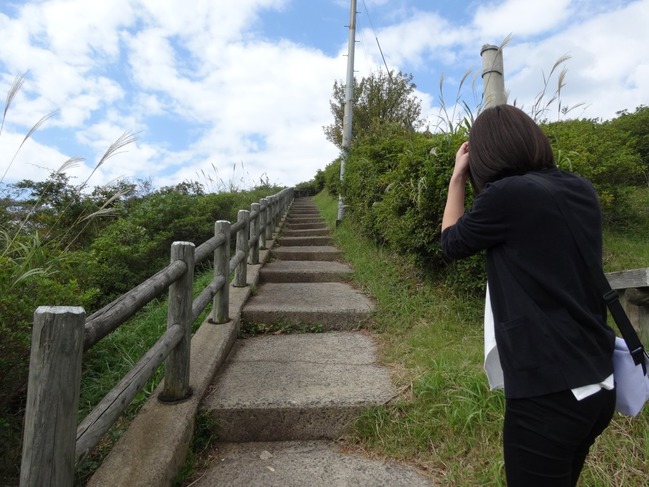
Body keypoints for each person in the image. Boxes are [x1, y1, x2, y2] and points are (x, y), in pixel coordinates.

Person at [440, 104, 616, 486]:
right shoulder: (578, 187)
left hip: (548, 394)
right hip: (599, 383)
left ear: (484, 156)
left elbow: (451, 242)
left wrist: (457, 178)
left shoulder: (506, 195)